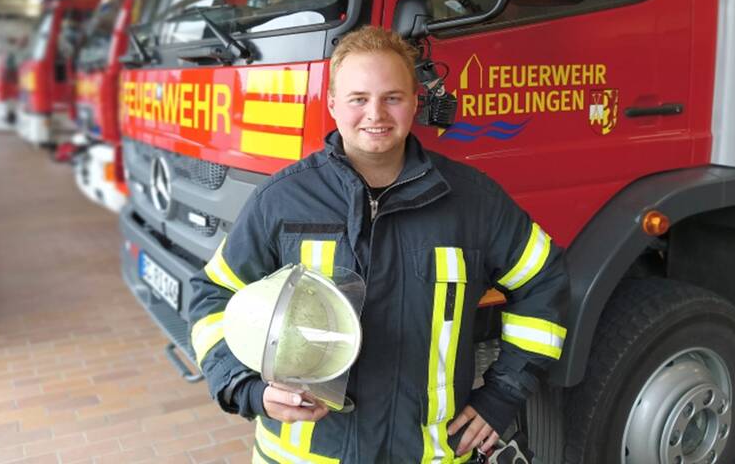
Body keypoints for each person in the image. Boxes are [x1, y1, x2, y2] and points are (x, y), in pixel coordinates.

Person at [189, 26, 569, 463]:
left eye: (392, 97)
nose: (376, 114)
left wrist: (502, 394)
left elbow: (544, 280)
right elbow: (213, 297)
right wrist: (246, 387)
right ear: (332, 103)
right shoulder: (282, 200)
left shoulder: (473, 201)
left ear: (414, 102)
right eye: (358, 99)